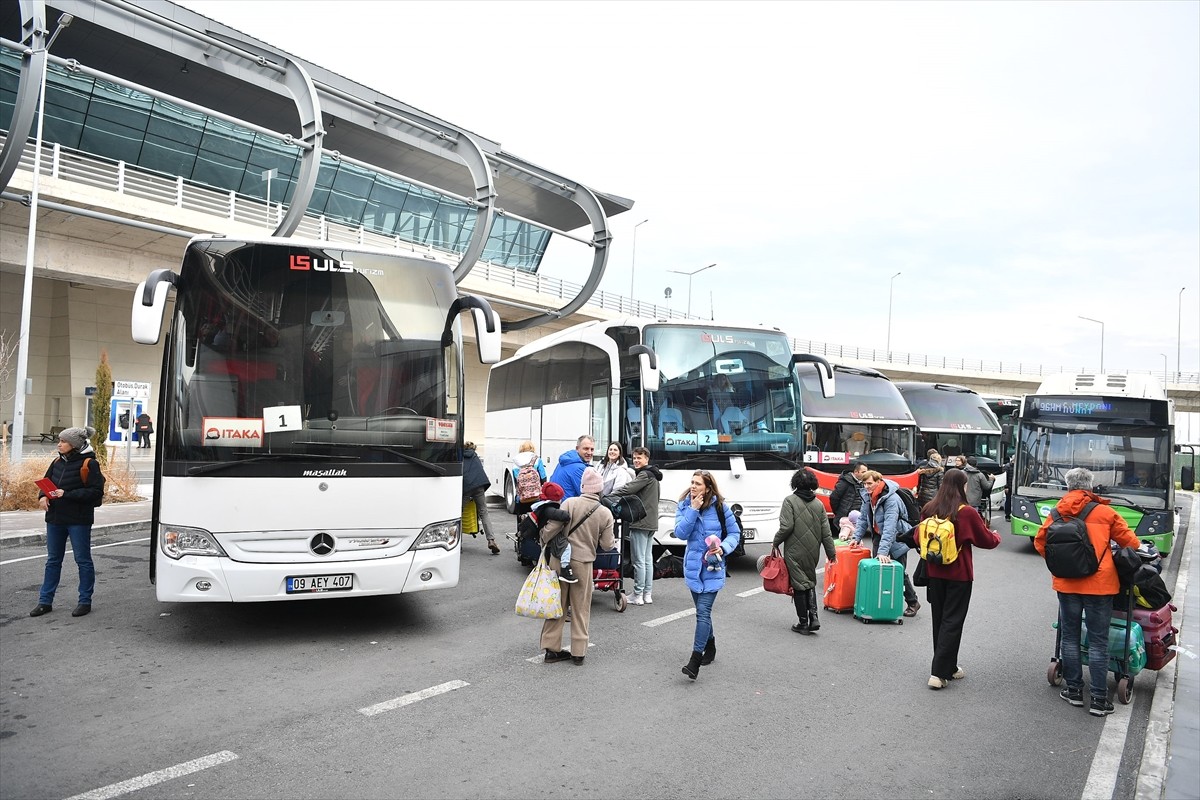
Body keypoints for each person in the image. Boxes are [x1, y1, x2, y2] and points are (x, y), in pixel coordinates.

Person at [1034, 467, 1139, 717]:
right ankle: (1099, 700)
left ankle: (1073, 692)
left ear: (1068, 486)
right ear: (1091, 486)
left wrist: (1062, 565)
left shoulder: (1057, 511)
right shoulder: (1105, 512)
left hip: (1067, 584)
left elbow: (1041, 542)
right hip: (1100, 585)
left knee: (1069, 637)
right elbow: (1131, 543)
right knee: (1099, 641)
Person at [918, 469, 1001, 689]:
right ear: (961, 486)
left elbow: (918, 537)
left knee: (939, 619)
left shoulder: (929, 508)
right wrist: (997, 536)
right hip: (959, 574)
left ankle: (950, 667)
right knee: (953, 621)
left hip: (934, 572)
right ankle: (938, 672)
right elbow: (985, 540)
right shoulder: (966, 512)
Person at [539, 468, 615, 665]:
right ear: (599, 490)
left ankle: (551, 649)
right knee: (581, 608)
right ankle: (578, 652)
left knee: (557, 605)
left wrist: (543, 539)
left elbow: (552, 528)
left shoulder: (569, 503)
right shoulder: (605, 513)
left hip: (559, 560)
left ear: (583, 487)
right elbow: (607, 545)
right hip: (583, 563)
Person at [30, 426, 104, 618]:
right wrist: (42, 496)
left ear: (75, 445)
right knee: (53, 561)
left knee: (83, 560)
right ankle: (45, 601)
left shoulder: (89, 464)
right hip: (55, 518)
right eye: (60, 441)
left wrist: (67, 494)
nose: (59, 444)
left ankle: (84, 601)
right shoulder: (56, 461)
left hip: (78, 520)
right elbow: (47, 481)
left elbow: (97, 493)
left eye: (63, 441)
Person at [676, 469, 740, 679]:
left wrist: (723, 547)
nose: (693, 486)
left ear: (708, 488)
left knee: (702, 612)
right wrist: (692, 510)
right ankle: (710, 645)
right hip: (693, 568)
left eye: (698, 484)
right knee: (702, 611)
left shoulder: (721, 508)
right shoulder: (685, 505)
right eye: (692, 482)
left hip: (714, 568)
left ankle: (695, 660)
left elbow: (734, 533)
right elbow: (680, 533)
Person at [846, 469, 921, 617]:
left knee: (898, 572)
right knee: (880, 570)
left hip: (898, 537)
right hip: (879, 536)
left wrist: (883, 551)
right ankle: (881, 603)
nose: (866, 486)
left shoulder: (891, 499)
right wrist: (856, 538)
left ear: (878, 482)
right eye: (864, 483)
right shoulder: (868, 496)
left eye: (869, 483)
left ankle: (913, 602)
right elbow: (862, 519)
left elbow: (890, 526)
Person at [774, 468, 838, 635]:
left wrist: (776, 542)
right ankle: (814, 617)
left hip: (794, 551)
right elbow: (826, 532)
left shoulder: (790, 501)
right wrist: (832, 554)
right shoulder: (818, 504)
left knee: (799, 585)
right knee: (809, 581)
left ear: (795, 483)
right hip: (812, 550)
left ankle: (803, 622)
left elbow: (786, 527)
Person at [609, 445, 662, 606]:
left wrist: (609, 495)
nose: (636, 461)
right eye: (635, 458)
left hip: (640, 521)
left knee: (639, 560)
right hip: (651, 521)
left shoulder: (645, 475)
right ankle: (647, 593)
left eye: (640, 458)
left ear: (647, 459)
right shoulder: (654, 476)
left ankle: (638, 594)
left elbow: (628, 489)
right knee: (647, 559)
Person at [520, 482, 576, 583]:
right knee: (565, 547)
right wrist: (568, 515)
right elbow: (561, 515)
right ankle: (565, 569)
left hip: (543, 535)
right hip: (548, 536)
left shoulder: (543, 507)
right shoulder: (548, 508)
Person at [461, 441, 499, 554]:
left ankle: (458, 543)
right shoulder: (475, 456)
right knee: (484, 512)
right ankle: (491, 540)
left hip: (466, 487)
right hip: (479, 486)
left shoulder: (460, 457)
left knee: (459, 514)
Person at [828, 460, 867, 536]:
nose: (866, 474)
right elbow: (834, 497)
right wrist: (839, 512)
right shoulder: (844, 482)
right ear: (856, 472)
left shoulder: (864, 483)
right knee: (845, 538)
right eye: (863, 472)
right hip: (846, 518)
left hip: (858, 518)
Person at [510, 440, 547, 514]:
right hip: (536, 497)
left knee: (521, 519)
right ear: (532, 448)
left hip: (522, 498)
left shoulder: (516, 461)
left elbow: (516, 481)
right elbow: (543, 478)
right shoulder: (537, 459)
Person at [1002, 455, 1015, 521]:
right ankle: (1007, 515)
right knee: (1008, 501)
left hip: (1015, 487)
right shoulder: (1007, 466)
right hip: (1009, 486)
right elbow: (1004, 478)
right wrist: (1006, 487)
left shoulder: (1018, 466)